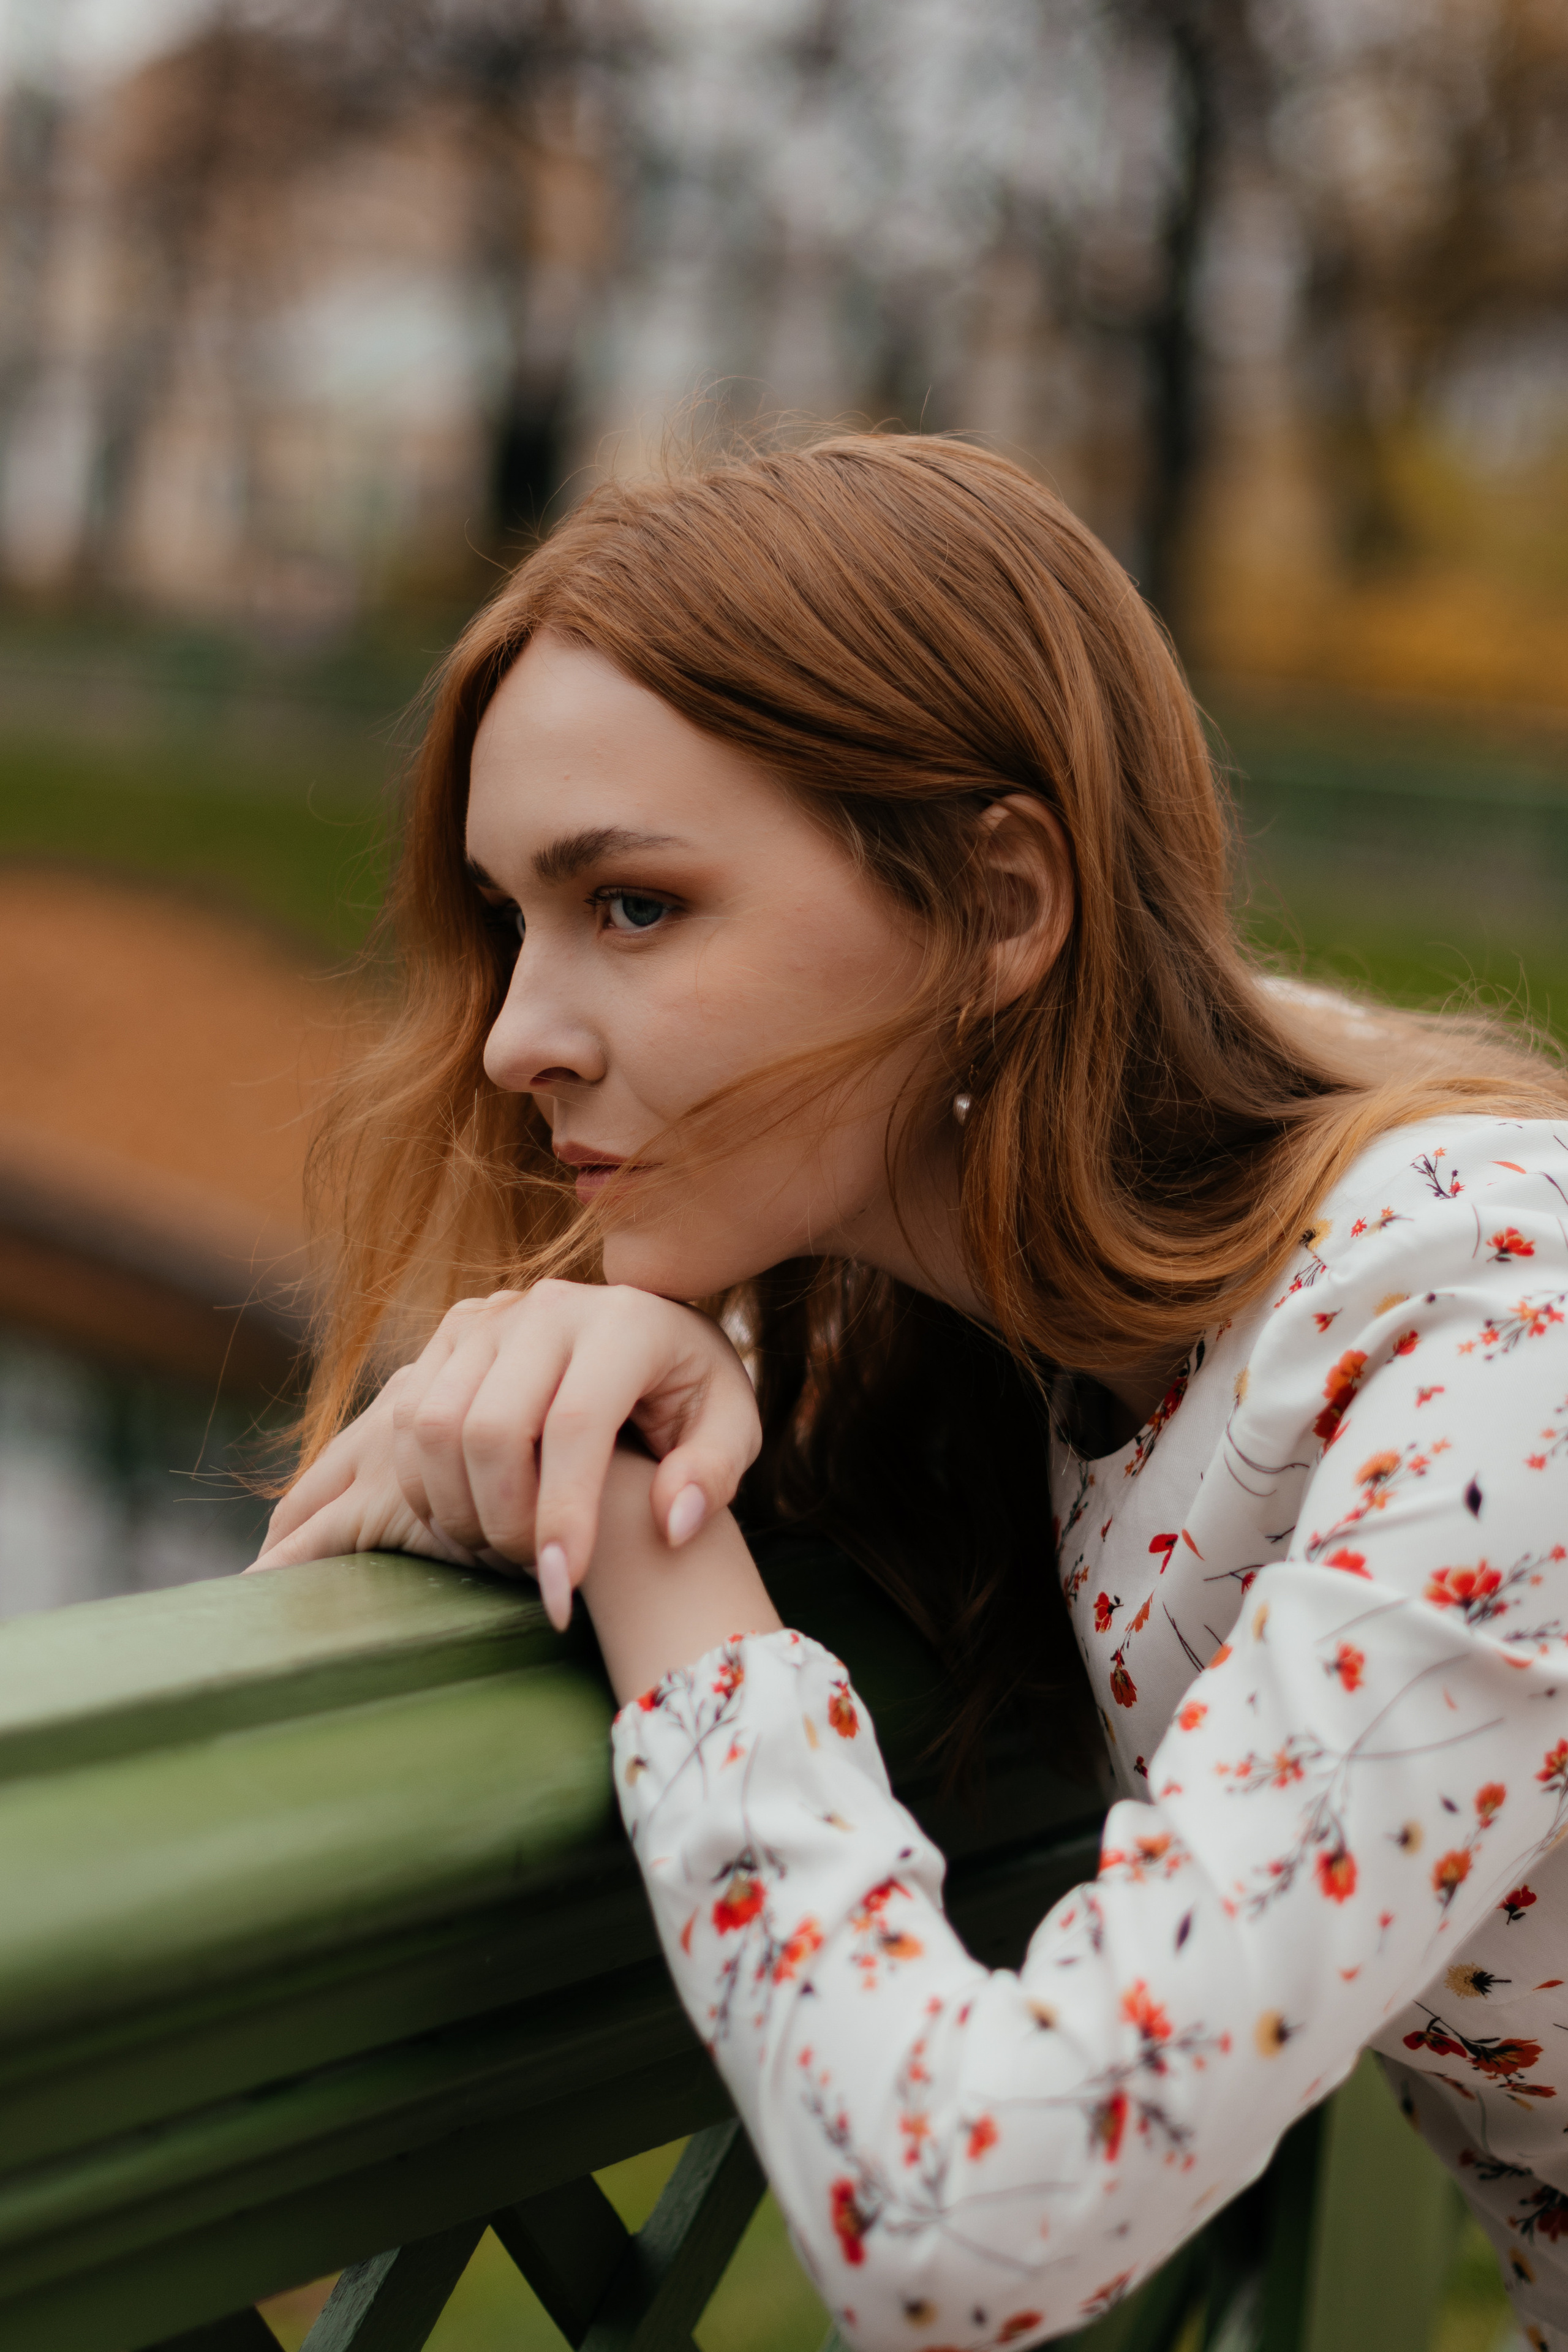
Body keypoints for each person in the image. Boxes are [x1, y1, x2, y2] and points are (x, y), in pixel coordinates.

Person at [256, 435, 1568, 2352]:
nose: (521, 1032)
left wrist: (669, 1575)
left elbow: (977, 2220)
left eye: (631, 905)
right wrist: (649, 1367)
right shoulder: (1052, 1297)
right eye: (510, 921)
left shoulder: (1486, 1330)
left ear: (1001, 903)